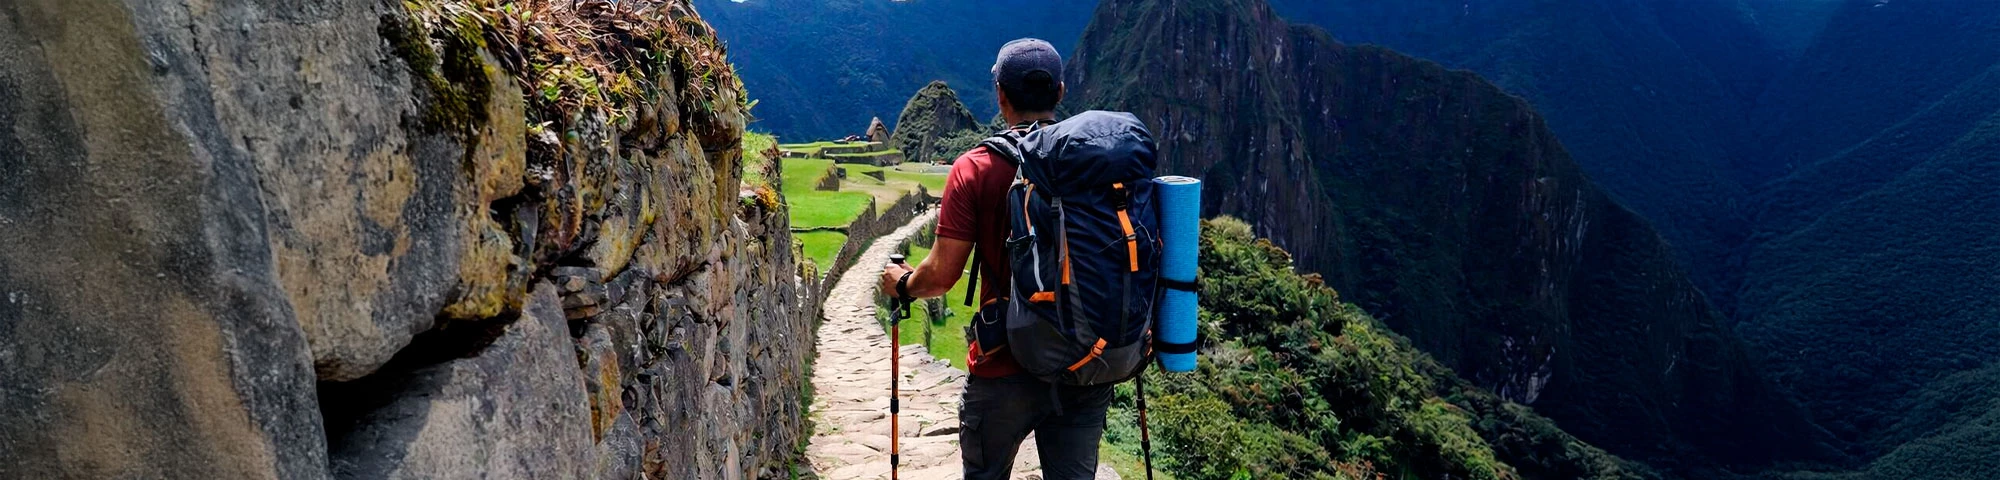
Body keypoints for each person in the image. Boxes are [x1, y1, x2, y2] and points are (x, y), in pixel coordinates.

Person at [879, 38, 1110, 480]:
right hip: (1084, 361)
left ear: (1000, 95)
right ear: (1060, 92)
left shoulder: (976, 167)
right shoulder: (1095, 160)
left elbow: (941, 276)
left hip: (1004, 363)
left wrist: (903, 283)